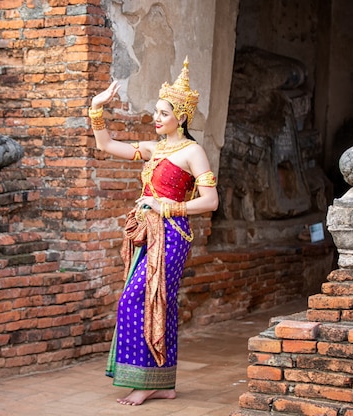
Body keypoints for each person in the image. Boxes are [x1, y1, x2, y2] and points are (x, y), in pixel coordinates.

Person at [89, 57, 219, 406]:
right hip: (147, 234)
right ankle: (163, 382)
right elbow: (106, 146)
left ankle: (147, 381)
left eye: (163, 113)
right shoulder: (153, 149)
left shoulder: (193, 152)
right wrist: (96, 109)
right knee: (158, 303)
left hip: (173, 235)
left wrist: (168, 207)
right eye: (156, 112)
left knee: (141, 300)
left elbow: (211, 201)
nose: (156, 118)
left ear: (182, 116)